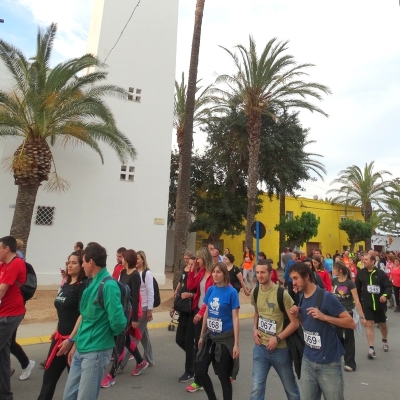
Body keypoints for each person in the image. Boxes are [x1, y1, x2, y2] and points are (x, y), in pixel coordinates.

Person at [62, 243, 127, 400]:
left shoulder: (108, 285)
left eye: (83, 262)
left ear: (90, 262)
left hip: (96, 351)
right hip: (82, 348)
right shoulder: (93, 282)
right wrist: (74, 342)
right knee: (69, 396)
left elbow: (119, 322)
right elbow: (85, 317)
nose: (82, 265)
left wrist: (103, 334)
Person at [289, 262, 355, 400]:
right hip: (308, 360)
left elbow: (351, 323)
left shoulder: (326, 297)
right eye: (292, 279)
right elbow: (307, 325)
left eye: (296, 278)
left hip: (329, 363)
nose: (293, 283)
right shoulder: (302, 296)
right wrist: (297, 316)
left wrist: (324, 317)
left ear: (306, 276)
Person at [37, 251, 87, 399]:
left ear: (82, 265)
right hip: (59, 340)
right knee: (49, 378)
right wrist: (56, 328)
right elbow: (64, 312)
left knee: (75, 385)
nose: (69, 265)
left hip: (73, 342)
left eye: (74, 263)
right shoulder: (66, 284)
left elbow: (84, 315)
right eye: (68, 262)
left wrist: (73, 340)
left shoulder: (83, 286)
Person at [250, 260, 300, 400]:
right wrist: (254, 328)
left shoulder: (282, 294)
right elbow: (257, 312)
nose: (259, 275)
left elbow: (295, 323)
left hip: (280, 350)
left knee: (291, 390)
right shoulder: (255, 292)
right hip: (260, 348)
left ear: (270, 273)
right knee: (256, 388)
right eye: (257, 272)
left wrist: (277, 338)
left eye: (263, 272)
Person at [101, 249, 147, 388]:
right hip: (121, 310)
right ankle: (140, 362)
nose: (120, 259)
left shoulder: (135, 275)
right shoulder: (123, 272)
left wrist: (134, 319)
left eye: (123, 257)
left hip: (129, 313)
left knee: (120, 343)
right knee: (125, 340)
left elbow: (136, 298)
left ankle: (111, 375)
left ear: (127, 259)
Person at [196, 262, 240, 400]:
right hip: (211, 335)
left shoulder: (232, 292)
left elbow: (235, 318)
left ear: (225, 274)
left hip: (225, 338)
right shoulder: (211, 290)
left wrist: (236, 344)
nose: (215, 275)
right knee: (201, 370)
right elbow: (207, 313)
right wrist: (202, 336)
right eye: (214, 272)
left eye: (218, 272)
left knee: (223, 375)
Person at [0, 236, 28, 400]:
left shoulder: (16, 263)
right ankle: (5, 395)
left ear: (6, 249)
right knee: (3, 356)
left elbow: (1, 290)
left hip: (10, 315)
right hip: (4, 313)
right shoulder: (3, 264)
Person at [186, 247, 214, 393]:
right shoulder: (202, 272)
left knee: (206, 345)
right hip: (198, 310)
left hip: (209, 313)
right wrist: (192, 270)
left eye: (198, 258)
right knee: (199, 344)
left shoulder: (214, 273)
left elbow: (211, 297)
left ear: (205, 258)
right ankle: (199, 378)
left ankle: (200, 378)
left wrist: (202, 312)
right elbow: (190, 285)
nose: (196, 260)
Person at [355, 254, 392, 358]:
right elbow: (357, 288)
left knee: (382, 324)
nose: (363, 261)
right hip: (367, 304)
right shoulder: (360, 273)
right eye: (363, 259)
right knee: (369, 324)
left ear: (372, 261)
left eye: (366, 259)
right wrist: (357, 301)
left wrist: (385, 295)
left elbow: (388, 286)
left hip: (380, 304)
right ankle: (371, 348)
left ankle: (384, 340)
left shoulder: (380, 273)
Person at [332, 261, 365, 372]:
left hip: (348, 313)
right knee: (337, 336)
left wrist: (362, 317)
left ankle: (350, 363)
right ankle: (338, 357)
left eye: (334, 268)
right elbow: (332, 296)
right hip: (336, 313)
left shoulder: (350, 283)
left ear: (340, 270)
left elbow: (357, 300)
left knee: (349, 338)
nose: (333, 270)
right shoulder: (334, 281)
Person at [172, 255, 196, 383]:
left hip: (193, 312)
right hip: (184, 311)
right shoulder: (186, 276)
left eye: (192, 264)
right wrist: (174, 306)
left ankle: (190, 371)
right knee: (179, 339)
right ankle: (194, 356)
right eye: (189, 264)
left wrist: (191, 295)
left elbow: (203, 295)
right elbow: (181, 290)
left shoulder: (199, 278)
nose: (190, 266)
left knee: (188, 341)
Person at [132, 250, 154, 366]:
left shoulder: (147, 273)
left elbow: (151, 292)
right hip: (138, 307)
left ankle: (120, 364)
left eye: (138, 258)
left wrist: (149, 310)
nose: (136, 261)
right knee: (144, 336)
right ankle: (149, 360)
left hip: (144, 308)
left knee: (134, 338)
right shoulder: (135, 273)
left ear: (143, 260)